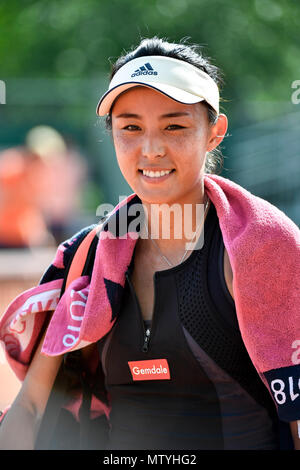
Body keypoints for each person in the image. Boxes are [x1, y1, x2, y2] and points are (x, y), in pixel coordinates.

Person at [0, 37, 299, 451]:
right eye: (130, 128)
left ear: (215, 132)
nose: (151, 148)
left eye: (174, 126)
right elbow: (31, 409)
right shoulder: (88, 256)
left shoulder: (260, 248)